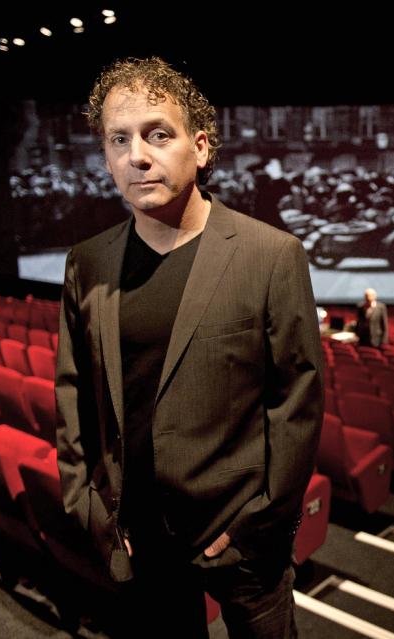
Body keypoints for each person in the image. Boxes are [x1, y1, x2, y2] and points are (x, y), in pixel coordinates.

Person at [54, 57, 323, 638]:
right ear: (105, 157)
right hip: (136, 534)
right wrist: (90, 507)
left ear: (200, 147)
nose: (137, 156)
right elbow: (73, 394)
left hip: (242, 538)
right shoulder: (88, 261)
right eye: (118, 140)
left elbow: (297, 403)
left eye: (158, 134)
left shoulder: (272, 255)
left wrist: (262, 522)